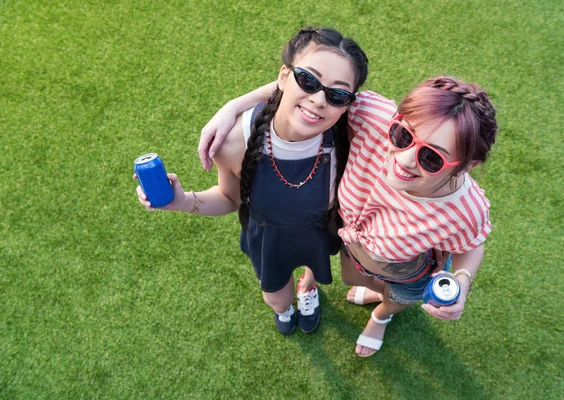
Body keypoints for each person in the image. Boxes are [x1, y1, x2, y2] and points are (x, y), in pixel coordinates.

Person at [198, 76, 498, 357]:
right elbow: (308, 87)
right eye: (403, 134)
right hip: (354, 251)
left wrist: (462, 281)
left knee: (397, 298)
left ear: (467, 165)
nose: (404, 160)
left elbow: (470, 244)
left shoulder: (466, 208)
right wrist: (233, 107)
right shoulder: (372, 117)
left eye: (432, 157)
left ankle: (381, 318)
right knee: (351, 278)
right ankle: (376, 295)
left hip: (408, 270)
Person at [134, 27, 369, 335]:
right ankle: (284, 309)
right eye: (308, 80)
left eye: (337, 94)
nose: (318, 100)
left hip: (320, 227)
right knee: (275, 295)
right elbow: (229, 198)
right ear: (283, 77)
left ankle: (308, 286)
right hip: (268, 239)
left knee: (316, 264)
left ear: (348, 103)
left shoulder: (352, 133)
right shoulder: (235, 141)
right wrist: (181, 200)